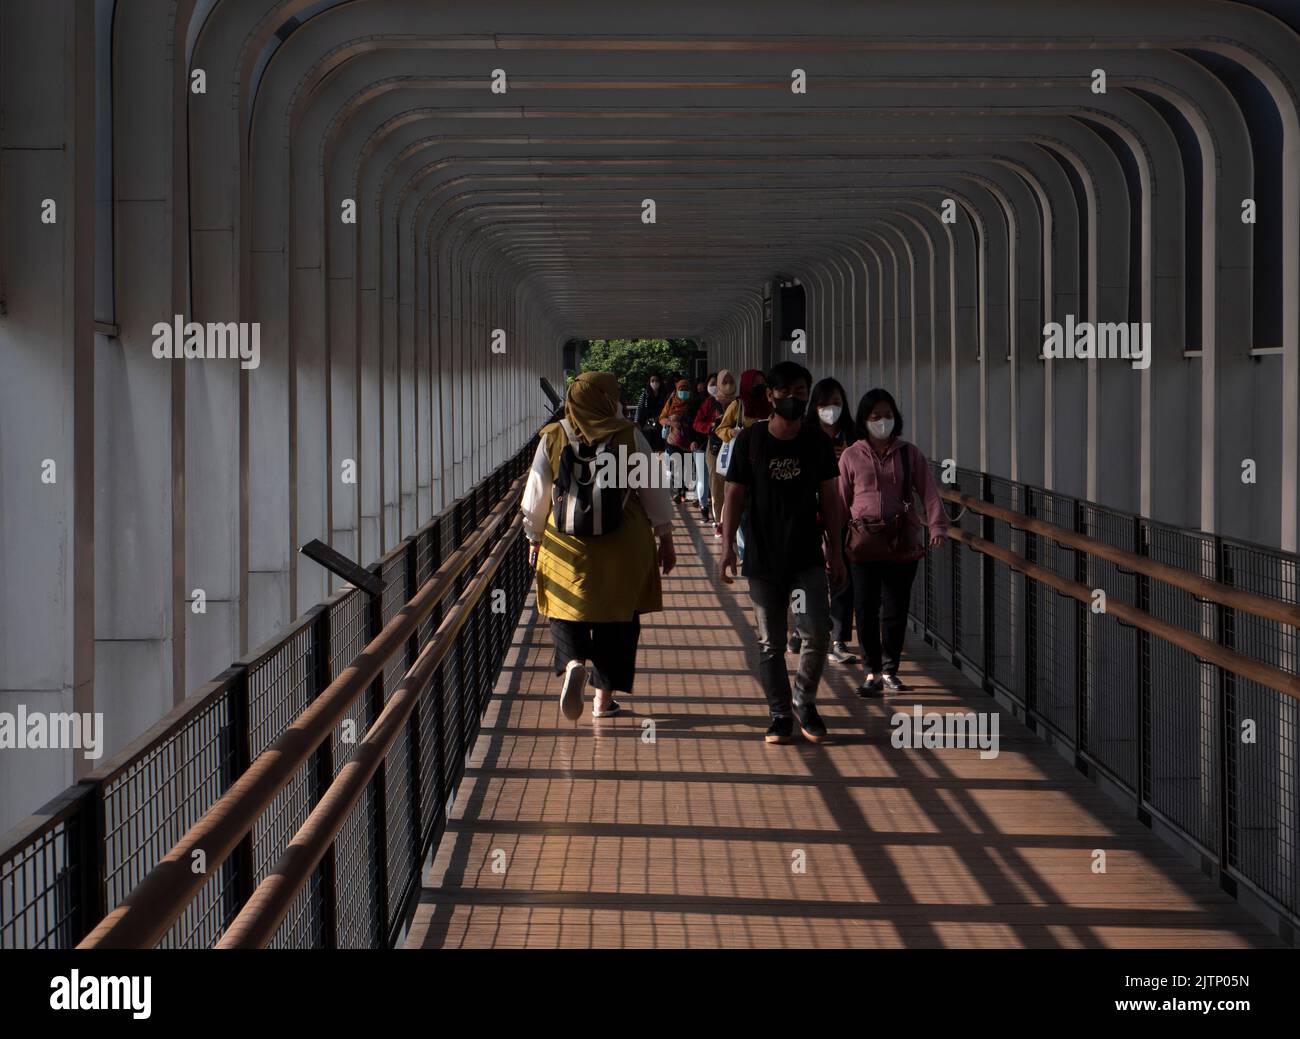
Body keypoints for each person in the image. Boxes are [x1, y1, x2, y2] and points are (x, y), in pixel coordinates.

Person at [523, 371, 677, 720]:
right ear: (608, 400)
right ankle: (602, 700)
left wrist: (533, 538)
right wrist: (665, 538)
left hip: (566, 541)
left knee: (564, 608)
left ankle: (575, 661)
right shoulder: (629, 435)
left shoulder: (553, 435)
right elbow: (654, 492)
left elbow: (535, 497)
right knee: (619, 618)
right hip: (623, 542)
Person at [719, 361, 846, 745]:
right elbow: (734, 495)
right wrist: (727, 546)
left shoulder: (816, 442)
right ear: (770, 395)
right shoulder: (751, 441)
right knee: (771, 643)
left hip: (806, 555)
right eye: (786, 392)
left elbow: (830, 497)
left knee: (817, 633)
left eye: (801, 392)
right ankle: (779, 715)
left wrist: (836, 553)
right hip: (762, 558)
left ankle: (803, 701)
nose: (794, 399)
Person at [838, 387, 948, 697]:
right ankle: (872, 670)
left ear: (895, 418)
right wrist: (830, 544)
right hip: (862, 543)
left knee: (895, 610)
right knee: (866, 607)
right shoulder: (850, 455)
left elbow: (928, 491)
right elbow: (840, 502)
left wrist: (937, 526)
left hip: (901, 543)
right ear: (864, 420)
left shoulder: (909, 453)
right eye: (875, 417)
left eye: (887, 416)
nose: (882, 421)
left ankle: (890, 670)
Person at [811, 377, 860, 666]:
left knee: (843, 575)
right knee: (810, 575)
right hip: (809, 515)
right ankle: (807, 628)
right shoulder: (804, 435)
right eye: (826, 404)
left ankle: (839, 639)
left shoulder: (853, 437)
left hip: (845, 516)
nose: (832, 409)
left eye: (837, 404)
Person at [715, 368, 770, 548]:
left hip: (766, 462)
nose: (759, 387)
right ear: (746, 385)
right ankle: (743, 547)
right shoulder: (738, 406)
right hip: (741, 461)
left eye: (762, 383)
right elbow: (720, 429)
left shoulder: (771, 404)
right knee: (738, 502)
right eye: (754, 383)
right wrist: (732, 432)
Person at [696, 368, 737, 533]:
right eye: (722, 382)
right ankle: (719, 519)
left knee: (732, 484)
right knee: (716, 484)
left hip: (733, 446)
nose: (727, 385)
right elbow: (697, 423)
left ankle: (730, 518)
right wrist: (711, 425)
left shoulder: (739, 403)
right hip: (714, 447)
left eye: (730, 382)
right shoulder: (709, 403)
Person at [658, 377, 694, 503]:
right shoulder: (671, 402)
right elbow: (661, 418)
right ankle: (676, 493)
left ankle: (684, 492)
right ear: (676, 389)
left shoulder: (693, 403)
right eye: (681, 389)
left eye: (686, 389)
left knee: (686, 467)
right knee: (674, 466)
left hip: (688, 441)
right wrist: (671, 422)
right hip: (672, 440)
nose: (683, 391)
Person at [686, 373, 717, 519]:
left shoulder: (729, 403)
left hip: (718, 445)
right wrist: (692, 440)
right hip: (700, 443)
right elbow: (691, 424)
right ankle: (704, 506)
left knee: (714, 478)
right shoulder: (699, 403)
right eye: (712, 384)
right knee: (703, 476)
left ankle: (714, 509)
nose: (715, 387)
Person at [635, 373, 670, 451]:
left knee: (660, 447)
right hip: (647, 426)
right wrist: (637, 423)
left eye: (657, 380)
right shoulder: (645, 394)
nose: (655, 383)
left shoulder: (664, 395)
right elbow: (640, 409)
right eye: (652, 381)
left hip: (661, 424)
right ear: (649, 382)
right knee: (648, 447)